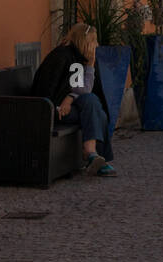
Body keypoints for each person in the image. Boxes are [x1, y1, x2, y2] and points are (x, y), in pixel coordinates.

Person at [31, 23, 116, 177]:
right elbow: (47, 89)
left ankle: (93, 155)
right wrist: (62, 103)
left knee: (92, 103)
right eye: (93, 41)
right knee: (96, 111)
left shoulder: (84, 59)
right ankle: (93, 156)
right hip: (52, 110)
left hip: (71, 107)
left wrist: (70, 98)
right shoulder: (61, 56)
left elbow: (84, 90)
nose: (97, 45)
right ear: (84, 41)